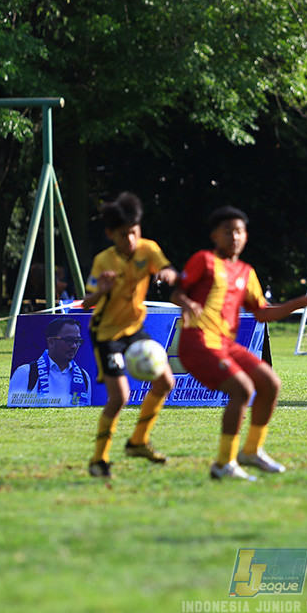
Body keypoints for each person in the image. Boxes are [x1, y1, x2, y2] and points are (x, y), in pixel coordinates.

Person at [172, 205, 307, 481]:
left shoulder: (246, 271)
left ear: (246, 236)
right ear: (215, 236)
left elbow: (263, 312)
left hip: (223, 343)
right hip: (197, 341)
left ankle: (252, 451)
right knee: (243, 389)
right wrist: (186, 302)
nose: (234, 236)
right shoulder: (204, 260)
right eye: (228, 231)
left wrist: (303, 301)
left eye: (239, 231)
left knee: (270, 383)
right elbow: (176, 293)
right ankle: (224, 463)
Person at [83, 191, 179, 479]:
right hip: (107, 333)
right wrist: (101, 289)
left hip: (135, 329)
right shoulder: (103, 261)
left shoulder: (148, 249)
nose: (131, 240)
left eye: (135, 233)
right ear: (110, 234)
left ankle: (138, 441)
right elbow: (87, 302)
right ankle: (99, 460)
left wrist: (169, 275)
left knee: (165, 382)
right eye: (124, 235)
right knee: (120, 396)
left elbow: (167, 269)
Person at [8, 317, 92, 407]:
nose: (74, 346)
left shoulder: (84, 377)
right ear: (51, 342)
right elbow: (13, 412)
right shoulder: (26, 373)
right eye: (69, 340)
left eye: (77, 341)